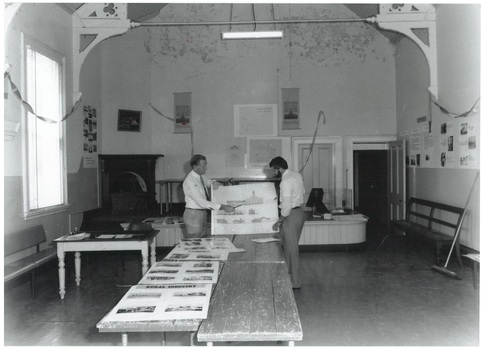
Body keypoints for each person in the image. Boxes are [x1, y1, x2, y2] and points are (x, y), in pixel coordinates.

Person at [270, 156, 306, 290]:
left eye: (274, 170)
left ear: (279, 169)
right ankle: (288, 277)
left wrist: (279, 221)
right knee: (289, 248)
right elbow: (301, 192)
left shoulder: (285, 182)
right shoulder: (296, 174)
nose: (273, 173)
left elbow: (286, 207)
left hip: (289, 215)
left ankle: (295, 282)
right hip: (299, 214)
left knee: (291, 249)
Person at [183, 154, 234, 238]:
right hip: (194, 214)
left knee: (203, 241)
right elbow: (201, 202)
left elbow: (208, 182)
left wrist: (213, 183)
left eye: (205, 165)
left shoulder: (200, 176)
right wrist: (223, 207)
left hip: (202, 213)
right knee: (195, 243)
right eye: (203, 166)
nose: (206, 168)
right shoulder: (190, 181)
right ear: (195, 167)